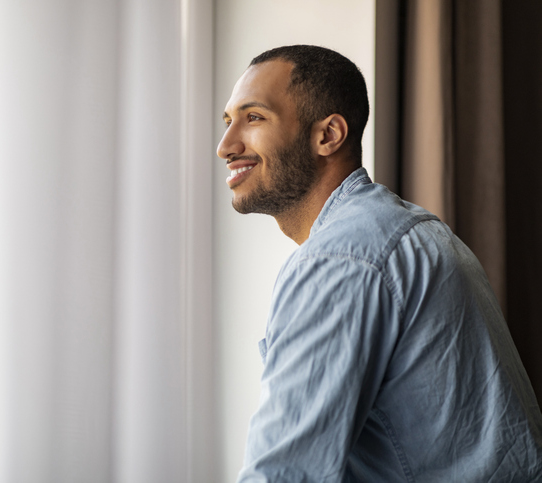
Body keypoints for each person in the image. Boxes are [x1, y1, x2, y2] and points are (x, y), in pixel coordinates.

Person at [217, 45, 542, 482]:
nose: (225, 146)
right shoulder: (407, 231)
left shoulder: (341, 260)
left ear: (328, 135)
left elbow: (282, 475)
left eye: (253, 118)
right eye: (228, 121)